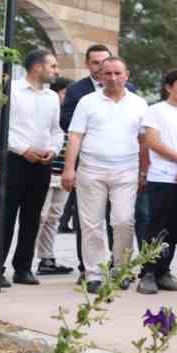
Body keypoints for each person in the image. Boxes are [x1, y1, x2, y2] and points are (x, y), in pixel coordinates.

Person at [62, 56, 148, 288]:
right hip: (91, 170)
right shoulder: (87, 102)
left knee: (123, 221)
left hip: (126, 171)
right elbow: (75, 136)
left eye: (118, 73)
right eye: (107, 73)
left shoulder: (139, 104)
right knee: (91, 224)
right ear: (100, 76)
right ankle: (94, 274)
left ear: (126, 75)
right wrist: (70, 169)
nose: (113, 78)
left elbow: (144, 141)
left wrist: (144, 172)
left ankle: (122, 269)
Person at [0, 47, 63, 286]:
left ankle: (23, 268)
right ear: (37, 67)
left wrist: (54, 149)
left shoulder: (51, 97)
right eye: (53, 66)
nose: (56, 71)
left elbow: (56, 130)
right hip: (15, 159)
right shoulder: (12, 90)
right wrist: (22, 149)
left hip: (42, 163)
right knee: (5, 215)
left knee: (32, 217)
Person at [137, 69, 177, 294]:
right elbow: (153, 142)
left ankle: (163, 271)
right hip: (162, 178)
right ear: (168, 87)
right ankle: (147, 273)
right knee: (157, 227)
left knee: (174, 228)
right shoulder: (155, 111)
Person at [34, 75, 76, 276]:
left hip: (64, 173)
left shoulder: (74, 115)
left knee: (54, 217)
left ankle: (47, 258)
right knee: (40, 216)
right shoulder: (48, 113)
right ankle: (24, 257)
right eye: (66, 93)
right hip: (46, 170)